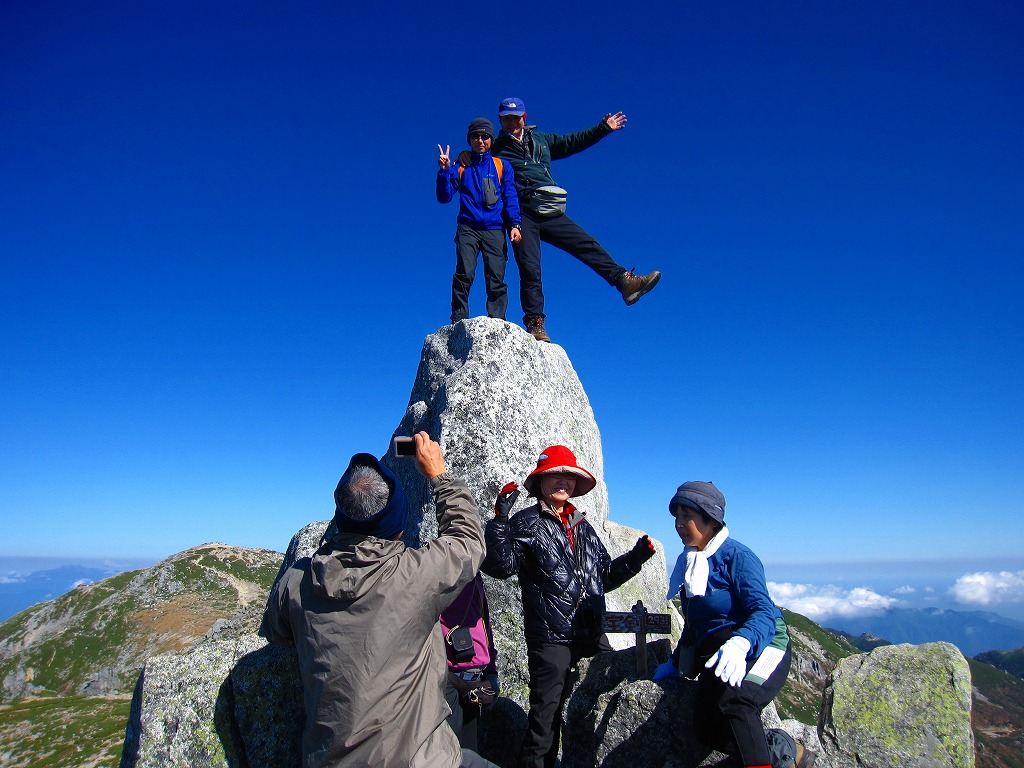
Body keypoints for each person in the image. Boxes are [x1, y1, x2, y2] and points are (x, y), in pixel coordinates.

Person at [259, 432, 496, 768]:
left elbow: (278, 632)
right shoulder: (414, 577)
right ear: (398, 528)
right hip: (416, 759)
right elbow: (469, 540)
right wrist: (438, 475)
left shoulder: (297, 581)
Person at [482, 445, 657, 768]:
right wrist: (499, 521)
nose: (563, 481)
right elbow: (500, 566)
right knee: (544, 725)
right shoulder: (527, 522)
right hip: (552, 639)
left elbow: (602, 577)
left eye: (569, 476)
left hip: (590, 633)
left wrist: (636, 558)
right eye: (555, 475)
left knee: (603, 701)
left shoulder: (582, 526)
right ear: (540, 482)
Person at [653, 481, 817, 768]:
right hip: (721, 656)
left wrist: (741, 644)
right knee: (706, 730)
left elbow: (764, 612)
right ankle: (780, 749)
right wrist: (675, 661)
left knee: (737, 701)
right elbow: (695, 624)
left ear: (711, 519)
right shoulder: (690, 563)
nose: (678, 524)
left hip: (763, 647)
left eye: (687, 516)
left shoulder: (738, 558)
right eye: (676, 517)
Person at [488, 96, 661, 343]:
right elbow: (478, 157)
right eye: (506, 119)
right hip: (521, 213)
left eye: (515, 118)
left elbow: (572, 142)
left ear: (524, 118)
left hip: (548, 208)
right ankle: (535, 322)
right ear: (501, 120)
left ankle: (625, 282)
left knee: (585, 243)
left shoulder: (542, 140)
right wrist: (463, 156)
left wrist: (602, 129)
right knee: (530, 266)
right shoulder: (497, 148)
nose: (511, 122)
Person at [437, 117, 522, 325]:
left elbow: (510, 196)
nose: (480, 140)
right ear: (470, 139)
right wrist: (444, 171)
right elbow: (444, 196)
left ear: (491, 139)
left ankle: (498, 320)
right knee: (464, 273)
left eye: (485, 136)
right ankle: (458, 319)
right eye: (476, 136)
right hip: (468, 228)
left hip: (495, 229)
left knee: (496, 277)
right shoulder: (461, 166)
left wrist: (515, 224)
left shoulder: (502, 166)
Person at [440, 573, 500, 752]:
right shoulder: (438, 571)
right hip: (446, 680)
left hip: (475, 682)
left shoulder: (474, 575)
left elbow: (484, 621)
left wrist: (491, 672)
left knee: (467, 754)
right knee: (447, 755)